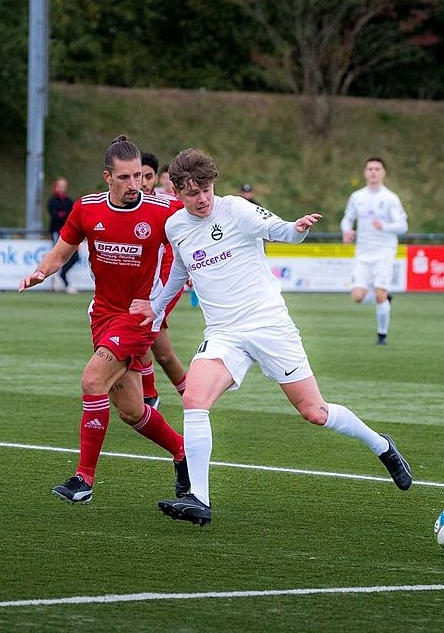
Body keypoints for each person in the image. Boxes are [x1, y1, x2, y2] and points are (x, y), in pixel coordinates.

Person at [130, 148, 412, 527]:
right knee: (194, 399)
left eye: (206, 190)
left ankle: (382, 445)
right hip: (224, 333)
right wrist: (156, 306)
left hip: (269, 325)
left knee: (315, 412)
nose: (202, 200)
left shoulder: (236, 209)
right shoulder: (175, 227)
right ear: (177, 191)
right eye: (192, 193)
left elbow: (282, 232)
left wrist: (297, 228)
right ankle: (199, 498)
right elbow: (180, 272)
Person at [19, 135, 188, 505]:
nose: (135, 185)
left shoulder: (162, 212)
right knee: (130, 410)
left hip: (138, 317)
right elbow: (60, 253)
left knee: (92, 379)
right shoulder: (86, 209)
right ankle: (182, 453)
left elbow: (200, 226)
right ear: (107, 177)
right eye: (125, 178)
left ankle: (84, 479)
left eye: (139, 177)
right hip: (103, 315)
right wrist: (40, 273)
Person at [137, 151, 188, 409]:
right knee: (165, 355)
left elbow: (194, 223)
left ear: (156, 178)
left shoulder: (167, 206)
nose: (142, 182)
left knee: (139, 330)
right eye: (138, 176)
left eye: (147, 176)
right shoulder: (129, 205)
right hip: (143, 287)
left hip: (167, 282)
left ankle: (149, 395)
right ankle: (194, 400)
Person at [340, 157, 408, 345]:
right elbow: (347, 219)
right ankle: (385, 299)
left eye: (377, 169)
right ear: (365, 172)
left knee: (379, 293)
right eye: (370, 168)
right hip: (363, 252)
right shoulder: (357, 197)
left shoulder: (390, 198)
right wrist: (346, 231)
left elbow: (403, 226)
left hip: (384, 251)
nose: (373, 172)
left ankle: (382, 335)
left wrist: (384, 226)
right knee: (358, 297)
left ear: (383, 173)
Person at [47, 177, 80, 292]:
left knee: (75, 257)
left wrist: (64, 215)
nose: (61, 188)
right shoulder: (52, 202)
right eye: (59, 186)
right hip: (58, 232)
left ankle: (62, 275)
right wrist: (64, 215)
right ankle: (59, 281)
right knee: (58, 255)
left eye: (63, 186)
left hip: (70, 232)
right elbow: (56, 216)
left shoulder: (69, 201)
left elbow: (72, 217)